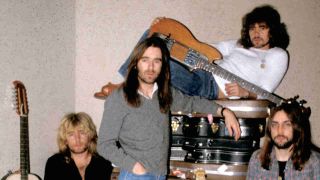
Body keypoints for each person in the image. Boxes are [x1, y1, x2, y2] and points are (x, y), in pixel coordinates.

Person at [97, 36, 240, 179]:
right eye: (145, 60)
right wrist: (135, 167)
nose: (151, 67)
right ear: (135, 64)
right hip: (135, 175)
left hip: (160, 175)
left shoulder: (164, 93)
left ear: (163, 65)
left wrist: (224, 111)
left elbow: (191, 102)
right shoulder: (119, 97)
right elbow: (104, 145)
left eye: (157, 61)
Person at [94, 5, 290, 101]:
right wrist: (163, 28)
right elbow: (200, 48)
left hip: (209, 87)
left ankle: (125, 87)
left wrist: (245, 92)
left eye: (262, 28)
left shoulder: (278, 55)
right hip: (200, 72)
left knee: (156, 61)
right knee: (152, 37)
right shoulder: (238, 45)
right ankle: (127, 82)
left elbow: (267, 91)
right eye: (252, 28)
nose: (256, 33)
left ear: (272, 29)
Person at [246, 96, 320, 179]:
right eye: (275, 124)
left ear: (297, 128)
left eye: (287, 124)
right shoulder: (257, 159)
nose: (280, 130)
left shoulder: (315, 162)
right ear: (269, 129)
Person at [44, 112, 113, 180]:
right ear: (65, 139)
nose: (77, 139)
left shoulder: (104, 162)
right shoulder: (54, 164)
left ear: (90, 136)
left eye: (82, 133)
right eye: (71, 134)